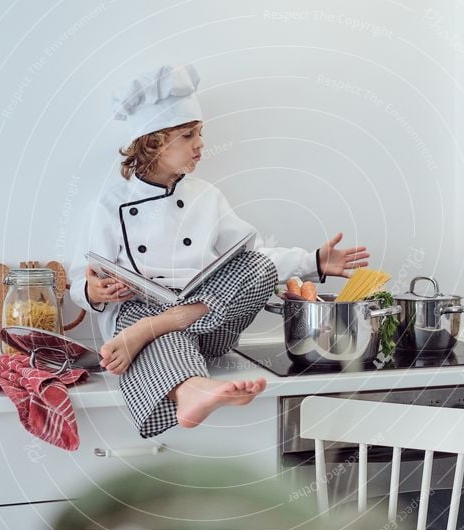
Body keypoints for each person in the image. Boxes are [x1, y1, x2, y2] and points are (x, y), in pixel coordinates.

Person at [68, 64, 369, 438]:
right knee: (138, 320)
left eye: (200, 133)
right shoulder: (109, 204)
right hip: (141, 323)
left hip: (209, 324)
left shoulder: (206, 197)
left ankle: (158, 326)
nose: (200, 144)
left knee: (256, 266)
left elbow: (253, 258)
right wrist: (92, 291)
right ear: (153, 142)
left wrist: (315, 262)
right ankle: (193, 388)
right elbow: (80, 278)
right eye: (187, 135)